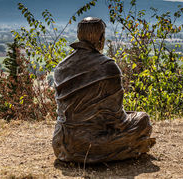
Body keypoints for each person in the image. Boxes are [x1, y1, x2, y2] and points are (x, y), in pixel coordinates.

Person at [52, 17, 155, 163]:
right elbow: (117, 118)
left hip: (60, 143)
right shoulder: (108, 67)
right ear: (101, 38)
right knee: (142, 119)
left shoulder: (61, 67)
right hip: (89, 143)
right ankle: (125, 149)